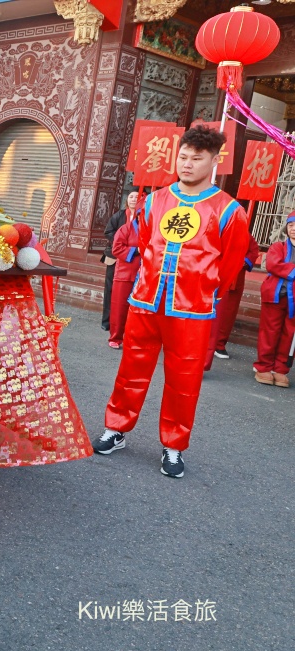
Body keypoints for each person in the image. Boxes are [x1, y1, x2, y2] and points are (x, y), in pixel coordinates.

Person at [92, 125, 248, 479]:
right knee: (131, 369)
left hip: (191, 309)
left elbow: (230, 265)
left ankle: (174, 445)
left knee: (184, 379)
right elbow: (146, 244)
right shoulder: (155, 200)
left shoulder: (229, 210)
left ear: (214, 161)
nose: (188, 164)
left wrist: (202, 289)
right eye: (183, 156)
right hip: (147, 301)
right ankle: (116, 429)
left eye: (197, 158)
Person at [253, 212, 295, 388]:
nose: (294, 229)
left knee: (288, 335)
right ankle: (263, 366)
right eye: (291, 225)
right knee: (269, 332)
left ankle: (280, 369)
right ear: (286, 228)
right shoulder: (278, 246)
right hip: (276, 295)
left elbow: (280, 266)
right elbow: (273, 264)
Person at [209, 232, 260, 361]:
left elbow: (253, 250)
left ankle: (220, 343)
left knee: (229, 312)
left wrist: (242, 262)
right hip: (216, 273)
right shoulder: (218, 227)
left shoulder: (244, 233)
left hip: (236, 276)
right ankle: (205, 343)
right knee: (211, 309)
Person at [100, 192, 139, 331]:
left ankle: (125, 324)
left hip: (134, 259)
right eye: (131, 197)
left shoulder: (145, 217)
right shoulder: (120, 215)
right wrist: (122, 241)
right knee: (111, 290)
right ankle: (107, 321)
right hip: (115, 257)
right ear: (127, 200)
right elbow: (108, 231)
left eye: (138, 196)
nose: (134, 199)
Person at [107, 208, 141, 349]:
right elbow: (117, 249)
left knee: (139, 310)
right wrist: (137, 250)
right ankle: (116, 336)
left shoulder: (154, 231)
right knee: (119, 307)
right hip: (125, 274)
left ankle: (134, 338)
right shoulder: (125, 229)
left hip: (144, 275)